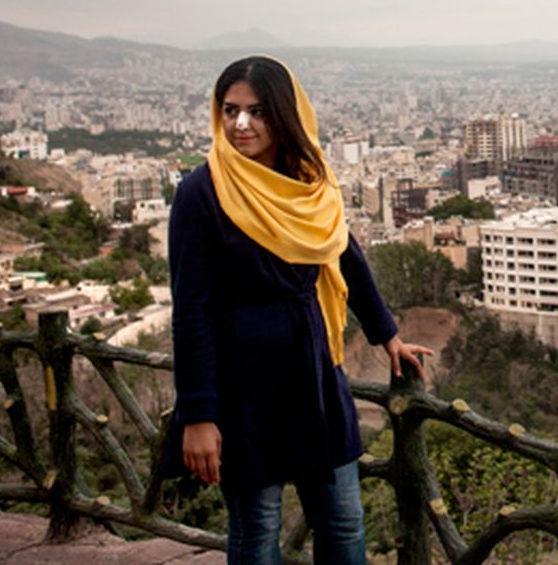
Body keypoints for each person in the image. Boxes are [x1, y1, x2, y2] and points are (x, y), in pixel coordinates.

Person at [169, 55, 430, 564]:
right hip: (243, 383)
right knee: (257, 526)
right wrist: (198, 415)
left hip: (315, 370)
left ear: (286, 115)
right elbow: (191, 309)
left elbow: (343, 252)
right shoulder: (202, 192)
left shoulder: (310, 181)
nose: (241, 124)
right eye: (230, 110)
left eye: (258, 111)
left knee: (343, 519)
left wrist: (387, 336)